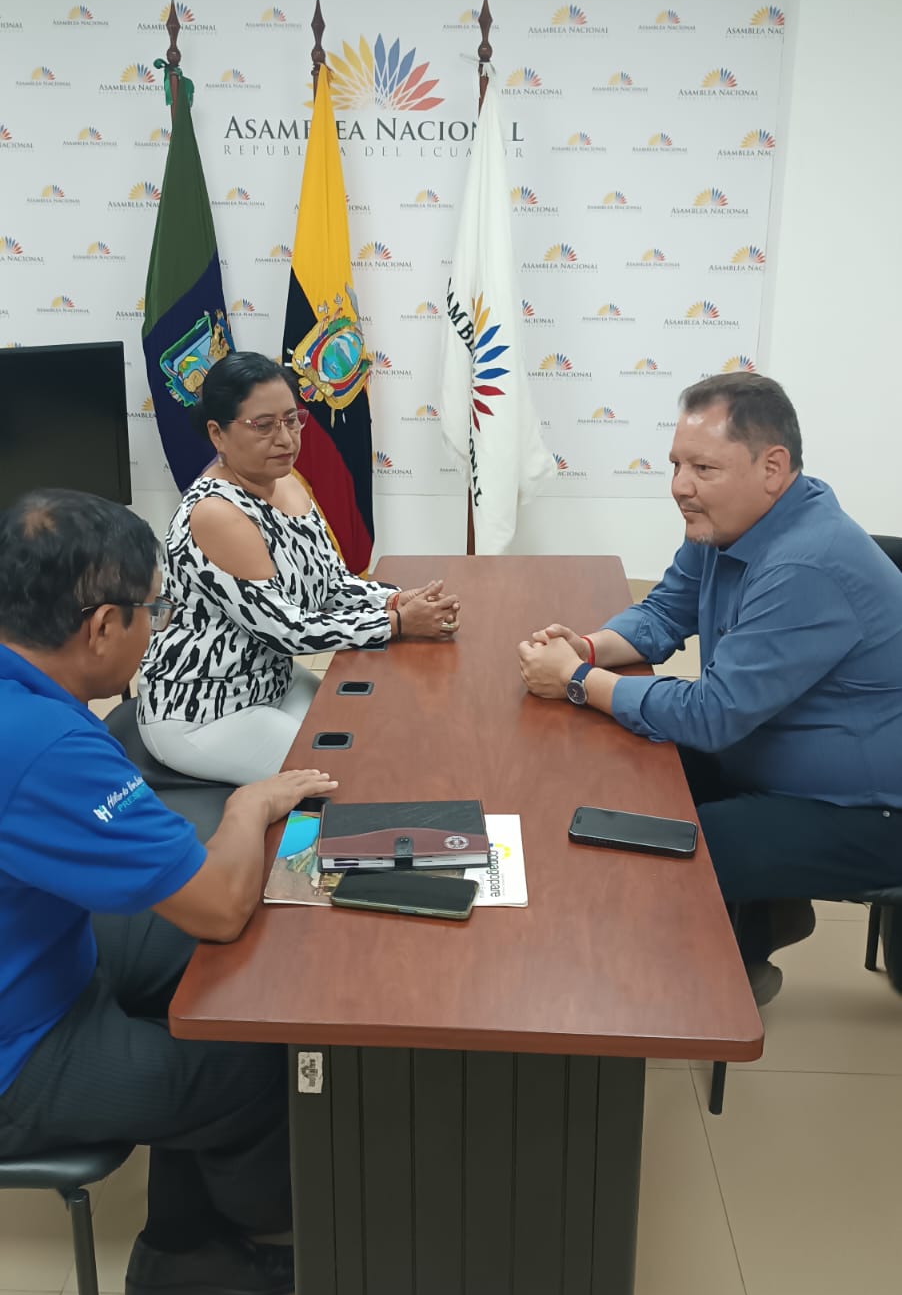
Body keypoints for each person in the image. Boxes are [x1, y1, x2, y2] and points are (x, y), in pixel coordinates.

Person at [0, 488, 338, 1295]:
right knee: (255, 1056)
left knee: (225, 966)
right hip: (21, 1048)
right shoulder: (49, 746)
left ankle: (183, 1218)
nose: (157, 629)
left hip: (42, 952)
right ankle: (204, 1246)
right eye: (152, 611)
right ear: (101, 627)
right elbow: (218, 904)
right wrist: (250, 806)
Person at [518, 372, 902, 1004]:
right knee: (620, 774)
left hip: (869, 810)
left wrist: (580, 682)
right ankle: (763, 919)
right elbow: (664, 610)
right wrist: (585, 648)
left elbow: (713, 714)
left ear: (772, 468)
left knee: (679, 847)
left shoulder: (806, 562)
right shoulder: (730, 522)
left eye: (703, 468)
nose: (680, 486)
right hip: (767, 749)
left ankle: (711, 990)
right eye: (676, 464)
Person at [138, 352, 461, 785]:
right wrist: (398, 623)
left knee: (376, 732)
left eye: (292, 420)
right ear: (218, 433)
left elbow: (331, 584)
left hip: (273, 680)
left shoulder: (285, 481)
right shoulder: (215, 512)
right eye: (263, 425)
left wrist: (396, 599)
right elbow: (286, 630)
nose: (285, 438)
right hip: (204, 708)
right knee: (354, 774)